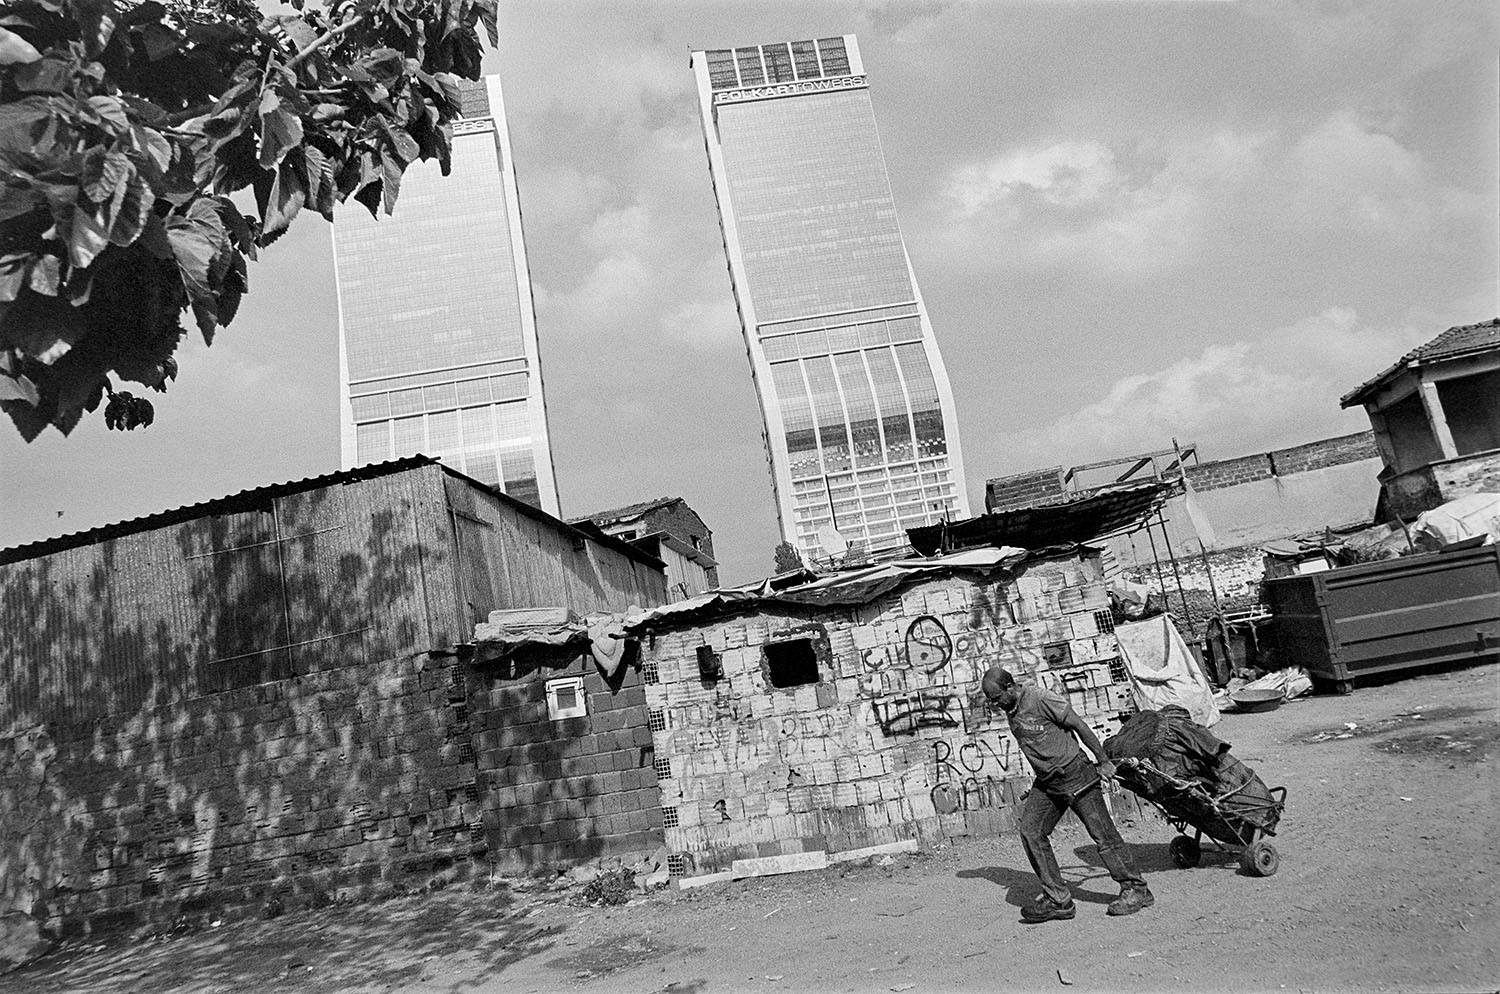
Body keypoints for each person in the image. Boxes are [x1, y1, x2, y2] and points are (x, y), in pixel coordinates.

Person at [982, 665, 1154, 922]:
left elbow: (1079, 725)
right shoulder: (1011, 707)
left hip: (1075, 774)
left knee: (1102, 834)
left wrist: (1103, 760)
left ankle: (1136, 889)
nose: (996, 705)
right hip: (1048, 782)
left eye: (997, 699)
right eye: (991, 701)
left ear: (1010, 686)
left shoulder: (1040, 698)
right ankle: (1058, 899)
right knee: (1031, 831)